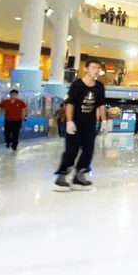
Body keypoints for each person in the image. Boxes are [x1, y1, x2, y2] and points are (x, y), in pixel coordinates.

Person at [54, 60, 106, 190]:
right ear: (86, 69)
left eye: (98, 68)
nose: (96, 70)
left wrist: (104, 121)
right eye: (93, 67)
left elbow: (101, 105)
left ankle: (80, 175)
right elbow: (70, 104)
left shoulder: (99, 87)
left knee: (88, 150)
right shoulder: (77, 85)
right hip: (76, 123)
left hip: (90, 124)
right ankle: (62, 175)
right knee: (71, 150)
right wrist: (69, 121)